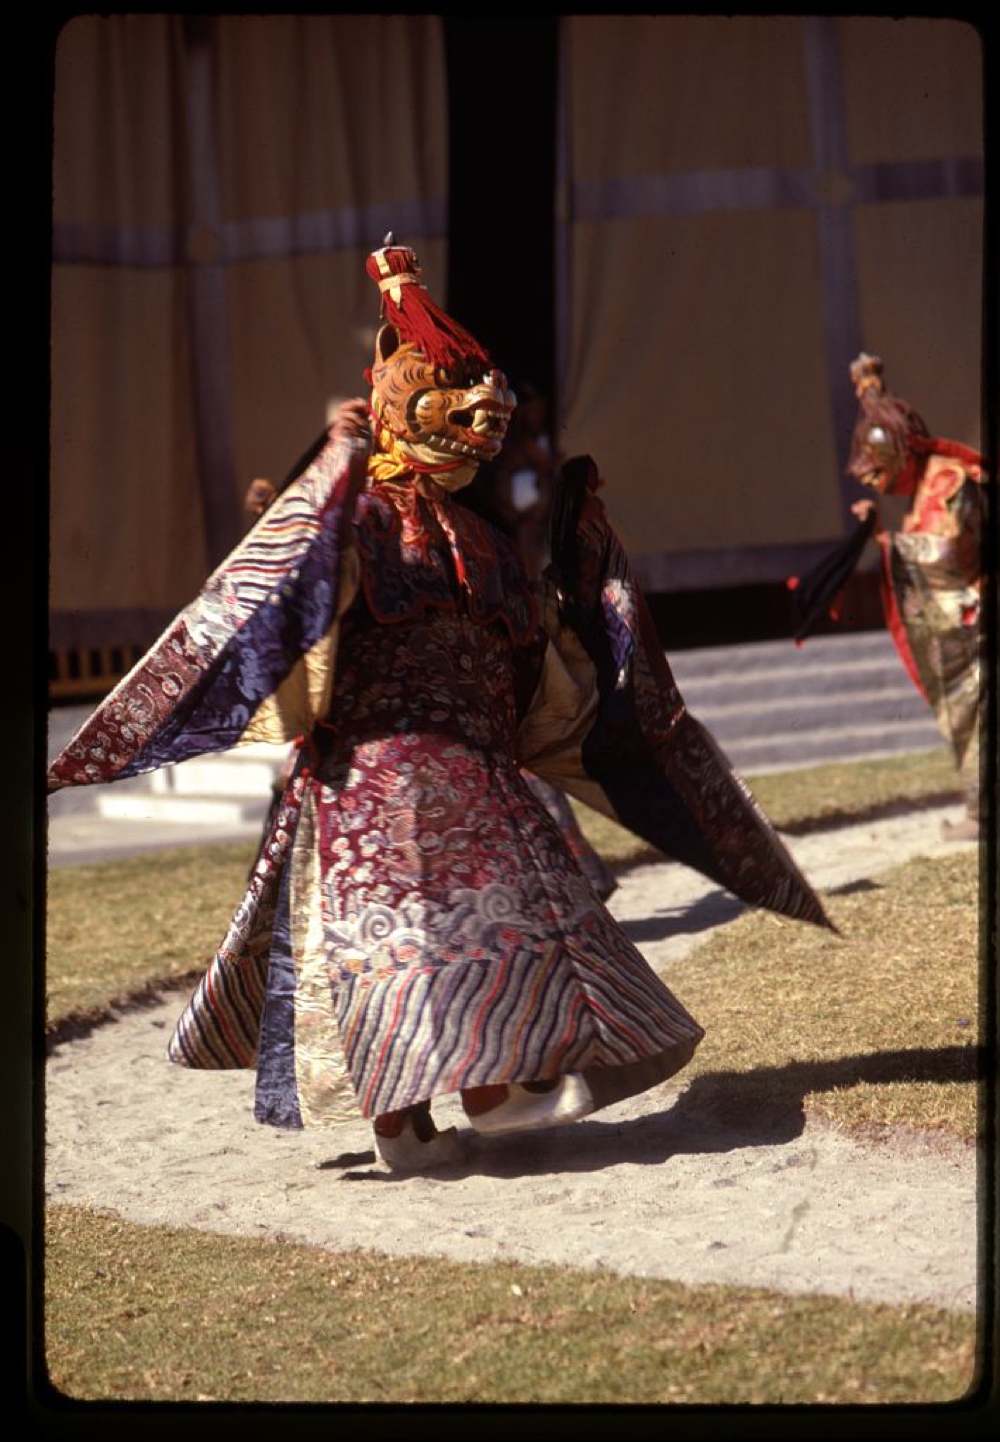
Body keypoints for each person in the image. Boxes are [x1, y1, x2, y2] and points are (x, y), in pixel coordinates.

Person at [47, 239, 827, 1171]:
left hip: (479, 767)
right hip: (371, 779)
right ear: (394, 409)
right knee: (406, 942)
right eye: (450, 404)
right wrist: (332, 472)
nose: (478, 423)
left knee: (522, 924)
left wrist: (583, 554)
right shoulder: (354, 522)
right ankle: (408, 1119)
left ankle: (496, 1087)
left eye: (484, 410)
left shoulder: (486, 542)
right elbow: (275, 601)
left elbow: (533, 661)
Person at [846, 353, 985, 840]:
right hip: (949, 635)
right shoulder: (920, 492)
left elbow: (951, 549)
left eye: (879, 470)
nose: (876, 482)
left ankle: (983, 813)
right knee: (961, 723)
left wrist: (888, 544)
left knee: (976, 719)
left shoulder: (951, 480)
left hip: (972, 625)